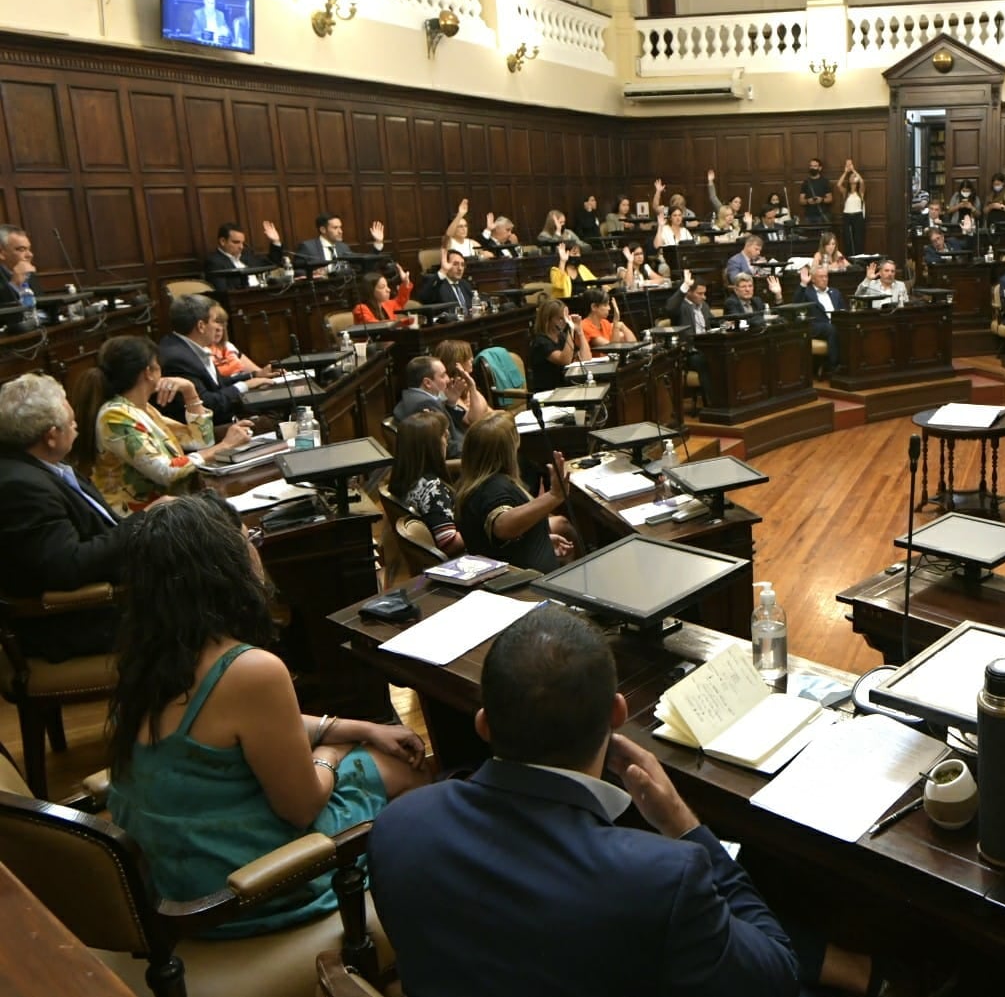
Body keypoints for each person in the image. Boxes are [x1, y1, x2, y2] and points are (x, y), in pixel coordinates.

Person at [367, 604, 803, 997]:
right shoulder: (665, 877)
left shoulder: (398, 823)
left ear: (483, 724)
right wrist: (685, 826)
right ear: (617, 715)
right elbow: (779, 973)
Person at [107, 494, 428, 937]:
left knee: (378, 752)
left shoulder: (147, 658)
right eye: (249, 539)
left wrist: (359, 727)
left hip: (177, 880)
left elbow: (246, 730)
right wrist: (333, 752)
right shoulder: (249, 669)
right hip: (243, 896)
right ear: (226, 566)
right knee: (410, 773)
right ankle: (414, 920)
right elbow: (301, 808)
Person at [0, 373, 137, 661]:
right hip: (79, 621)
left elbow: (104, 528)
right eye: (70, 420)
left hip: (114, 594)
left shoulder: (50, 466)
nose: (76, 425)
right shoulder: (20, 487)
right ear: (51, 436)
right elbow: (68, 565)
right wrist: (143, 523)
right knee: (208, 596)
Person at [71, 335, 251, 514]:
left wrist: (190, 392)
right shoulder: (114, 416)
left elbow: (200, 442)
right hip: (141, 520)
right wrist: (225, 446)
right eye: (158, 365)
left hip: (171, 510)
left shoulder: (143, 409)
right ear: (148, 372)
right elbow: (165, 472)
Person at [454, 412, 571, 572]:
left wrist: (539, 540)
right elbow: (502, 526)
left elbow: (495, 547)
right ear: (509, 449)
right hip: (526, 588)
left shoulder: (470, 484)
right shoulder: (494, 487)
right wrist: (554, 496)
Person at [157, 293, 273, 425]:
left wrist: (254, 376)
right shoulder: (177, 359)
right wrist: (245, 386)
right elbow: (207, 404)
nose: (219, 327)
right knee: (273, 421)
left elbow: (216, 384)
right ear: (201, 326)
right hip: (211, 430)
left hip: (225, 419)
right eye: (215, 321)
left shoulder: (186, 347)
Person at [388, 409, 463, 556]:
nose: (447, 437)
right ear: (430, 446)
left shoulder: (406, 477)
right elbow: (449, 543)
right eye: (442, 434)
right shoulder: (432, 489)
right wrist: (482, 526)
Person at [393, 355, 479, 459]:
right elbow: (448, 448)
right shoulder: (424, 404)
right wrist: (479, 449)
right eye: (443, 375)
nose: (448, 379)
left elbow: (449, 428)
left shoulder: (412, 397)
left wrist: (451, 403)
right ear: (427, 383)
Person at [276, 212, 385, 272]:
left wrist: (378, 244)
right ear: (323, 230)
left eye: (340, 227)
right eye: (335, 228)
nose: (340, 231)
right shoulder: (308, 247)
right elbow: (297, 271)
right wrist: (313, 273)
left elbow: (364, 267)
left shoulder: (344, 248)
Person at [529, 298, 591, 393]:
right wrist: (571, 329)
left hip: (566, 388)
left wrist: (580, 331)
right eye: (560, 318)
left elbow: (586, 358)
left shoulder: (562, 337)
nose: (565, 322)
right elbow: (564, 360)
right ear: (547, 319)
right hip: (549, 393)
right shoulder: (540, 342)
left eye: (565, 318)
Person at [205, 222, 284, 293]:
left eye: (242, 243)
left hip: (262, 294)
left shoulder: (246, 256)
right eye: (236, 242)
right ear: (223, 241)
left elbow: (271, 263)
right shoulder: (214, 262)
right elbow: (223, 292)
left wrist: (275, 241)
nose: (241, 247)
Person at [206, 306, 278, 382]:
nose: (219, 328)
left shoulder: (227, 346)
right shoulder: (200, 353)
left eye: (222, 323)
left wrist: (274, 373)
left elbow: (259, 373)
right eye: (215, 322)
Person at [799, 264, 845, 376]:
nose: (825, 279)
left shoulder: (835, 292)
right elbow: (796, 303)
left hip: (835, 324)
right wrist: (803, 284)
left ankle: (850, 365)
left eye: (826, 276)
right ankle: (833, 367)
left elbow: (843, 310)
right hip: (815, 326)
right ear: (813, 279)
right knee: (830, 328)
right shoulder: (807, 292)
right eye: (821, 277)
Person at [416, 249, 476, 317]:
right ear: (445, 265)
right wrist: (442, 271)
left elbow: (474, 303)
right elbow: (423, 298)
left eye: (462, 265)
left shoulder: (465, 284)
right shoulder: (438, 284)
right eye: (455, 264)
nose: (460, 268)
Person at [835, 159, 866, 256]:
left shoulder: (860, 192)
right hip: (847, 216)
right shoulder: (846, 192)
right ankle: (849, 257)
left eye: (854, 177)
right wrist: (846, 172)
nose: (853, 177)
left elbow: (862, 181)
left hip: (857, 216)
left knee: (858, 238)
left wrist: (853, 170)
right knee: (848, 239)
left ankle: (859, 257)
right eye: (851, 177)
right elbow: (838, 184)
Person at [0, 224, 34, 306]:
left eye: (29, 249)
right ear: (1, 253)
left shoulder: (28, 273)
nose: (30, 254)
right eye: (22, 249)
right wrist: (15, 284)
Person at [799, 157, 832, 224]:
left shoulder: (825, 181)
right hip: (808, 216)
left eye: (815, 166)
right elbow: (801, 201)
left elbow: (830, 199)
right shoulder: (805, 182)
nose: (812, 168)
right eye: (811, 166)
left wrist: (821, 200)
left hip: (822, 215)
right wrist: (808, 201)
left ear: (820, 168)